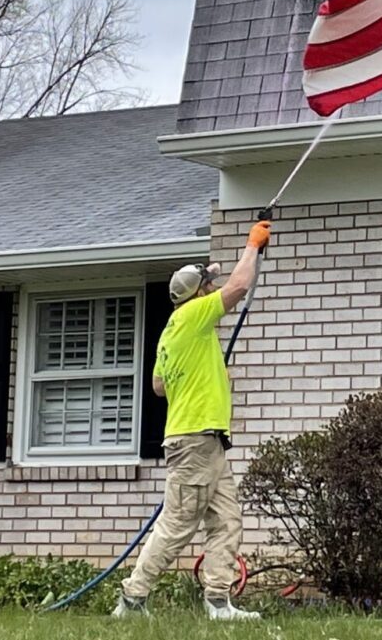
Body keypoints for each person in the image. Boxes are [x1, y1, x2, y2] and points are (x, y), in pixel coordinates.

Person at [112, 217, 273, 621]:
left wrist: (207, 371)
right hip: (195, 441)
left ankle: (218, 601)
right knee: (178, 524)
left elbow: (159, 387)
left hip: (207, 441)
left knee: (227, 520)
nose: (213, 287)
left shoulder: (173, 330)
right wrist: (252, 246)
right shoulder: (194, 317)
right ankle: (132, 600)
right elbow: (237, 287)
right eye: (207, 285)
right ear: (198, 295)